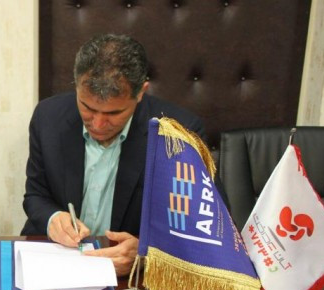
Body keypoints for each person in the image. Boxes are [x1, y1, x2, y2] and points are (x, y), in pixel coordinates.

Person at [21, 34, 205, 276]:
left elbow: (202, 227)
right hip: (55, 259)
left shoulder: (178, 134)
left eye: (114, 113)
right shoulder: (48, 117)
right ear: (76, 86)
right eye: (87, 107)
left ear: (141, 93)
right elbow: (36, 195)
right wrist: (52, 218)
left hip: (130, 276)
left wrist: (147, 252)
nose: (97, 124)